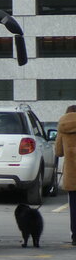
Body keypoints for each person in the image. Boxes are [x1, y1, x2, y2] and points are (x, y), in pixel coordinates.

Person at [53, 104, 76, 245]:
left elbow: (58, 152)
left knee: (74, 207)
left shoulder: (63, 126)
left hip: (71, 174)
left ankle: (75, 237)